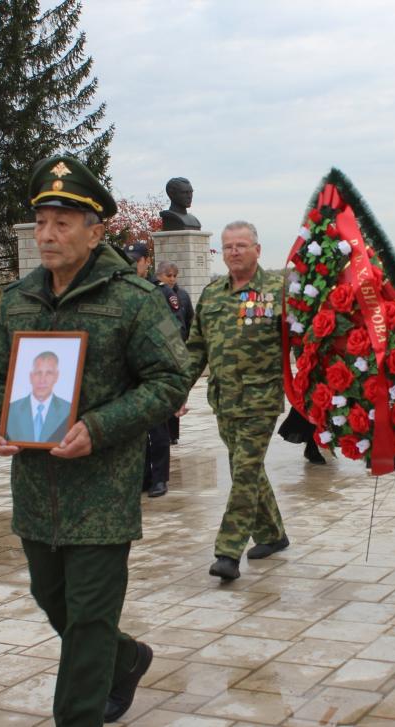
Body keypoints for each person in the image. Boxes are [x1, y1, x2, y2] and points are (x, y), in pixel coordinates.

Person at [0, 154, 189, 725]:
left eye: (62, 223)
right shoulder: (19, 298)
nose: (46, 235)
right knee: (53, 601)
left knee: (89, 618)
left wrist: (99, 427)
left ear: (95, 233)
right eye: (41, 221)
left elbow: (171, 379)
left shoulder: (132, 299)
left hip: (102, 492)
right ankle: (126, 658)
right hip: (36, 489)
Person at [186, 220, 289, 581]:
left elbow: (304, 343)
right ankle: (273, 534)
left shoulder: (278, 292)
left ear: (257, 250)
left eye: (241, 246)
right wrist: (176, 391)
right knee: (247, 468)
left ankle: (227, 553)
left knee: (243, 470)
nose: (234, 252)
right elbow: (195, 349)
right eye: (228, 246)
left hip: (261, 399)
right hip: (223, 399)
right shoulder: (212, 294)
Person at [126, 242, 177, 498]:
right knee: (135, 431)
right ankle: (143, 477)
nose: (132, 264)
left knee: (157, 430)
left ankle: (159, 478)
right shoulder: (122, 292)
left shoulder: (160, 293)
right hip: (130, 371)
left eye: (136, 260)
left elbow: (172, 331)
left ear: (146, 262)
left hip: (153, 370)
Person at [157, 260, 194, 446]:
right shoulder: (155, 292)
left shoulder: (183, 295)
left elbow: (189, 320)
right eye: (168, 275)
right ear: (159, 275)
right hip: (163, 346)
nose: (172, 279)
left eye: (174, 276)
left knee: (176, 387)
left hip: (179, 345)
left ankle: (173, 433)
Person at [5, 351, 72, 444]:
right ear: (31, 376)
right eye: (38, 373)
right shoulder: (12, 410)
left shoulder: (68, 410)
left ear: (56, 377)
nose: (42, 380)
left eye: (49, 373)